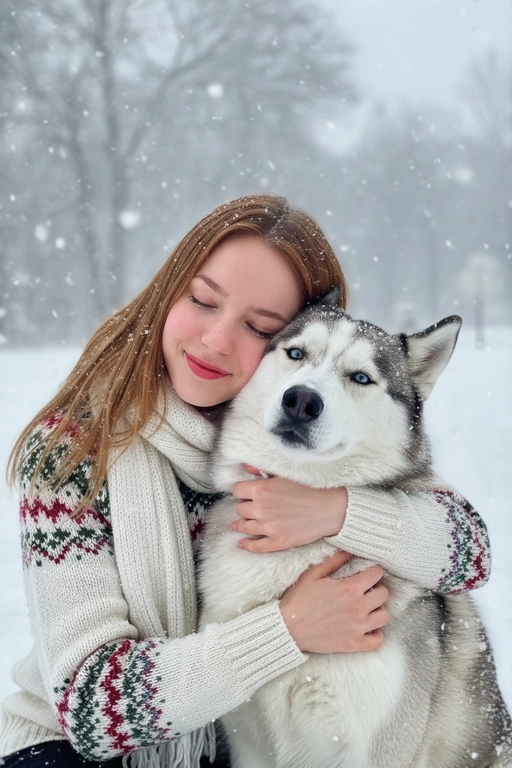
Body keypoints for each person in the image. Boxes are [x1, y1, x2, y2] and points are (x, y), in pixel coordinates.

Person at [0, 195, 490, 768]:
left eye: (260, 327)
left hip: (213, 746)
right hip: (69, 750)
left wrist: (336, 511)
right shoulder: (74, 455)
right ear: (167, 292)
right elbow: (92, 709)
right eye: (203, 300)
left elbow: (468, 550)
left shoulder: (304, 451)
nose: (215, 340)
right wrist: (287, 629)